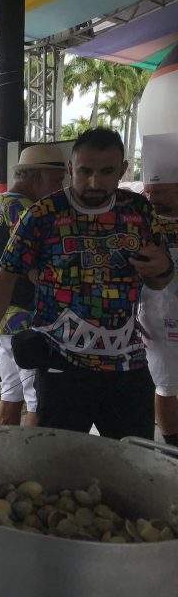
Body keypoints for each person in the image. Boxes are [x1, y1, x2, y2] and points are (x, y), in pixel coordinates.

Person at [0, 127, 174, 440]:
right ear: (70, 168)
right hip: (61, 368)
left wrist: (163, 269)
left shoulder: (138, 211)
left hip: (126, 367)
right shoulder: (42, 214)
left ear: (122, 169)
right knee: (56, 462)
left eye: (106, 172)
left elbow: (159, 281)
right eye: (85, 171)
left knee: (132, 459)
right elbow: (4, 276)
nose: (94, 182)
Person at [0, 143, 66, 427]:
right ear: (37, 177)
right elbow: (38, 269)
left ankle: (6, 453)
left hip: (1, 320)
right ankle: (32, 454)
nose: (60, 189)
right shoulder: (28, 211)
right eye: (57, 180)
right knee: (37, 401)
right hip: (28, 320)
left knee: (11, 395)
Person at [138, 132, 178, 447]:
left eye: (160, 192)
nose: (152, 198)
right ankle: (172, 446)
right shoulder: (140, 221)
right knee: (166, 383)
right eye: (149, 191)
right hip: (157, 317)